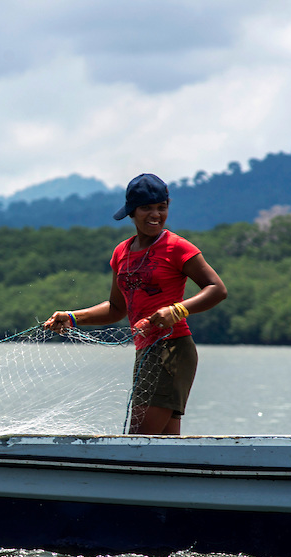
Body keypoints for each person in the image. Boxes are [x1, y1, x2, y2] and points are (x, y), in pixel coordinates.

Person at [44, 173, 227, 435]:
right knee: (163, 446)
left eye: (161, 207)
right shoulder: (122, 252)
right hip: (145, 352)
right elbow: (117, 309)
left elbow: (217, 289)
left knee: (138, 440)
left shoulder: (177, 247)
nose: (155, 214)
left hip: (172, 349)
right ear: (132, 212)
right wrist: (73, 317)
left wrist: (177, 310)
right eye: (147, 208)